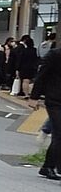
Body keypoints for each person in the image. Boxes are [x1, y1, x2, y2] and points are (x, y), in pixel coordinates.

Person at [32, 46, 61, 181]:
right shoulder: (54, 55)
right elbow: (41, 75)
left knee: (58, 134)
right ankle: (54, 167)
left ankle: (48, 166)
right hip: (55, 100)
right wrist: (34, 97)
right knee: (59, 133)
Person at [19, 35, 39, 99]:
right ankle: (31, 93)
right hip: (33, 67)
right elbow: (37, 58)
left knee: (25, 81)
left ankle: (26, 94)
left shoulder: (24, 50)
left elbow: (20, 60)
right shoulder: (35, 50)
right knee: (32, 81)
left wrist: (18, 68)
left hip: (24, 67)